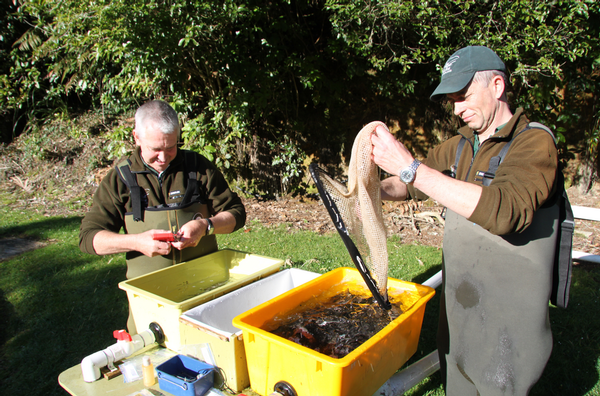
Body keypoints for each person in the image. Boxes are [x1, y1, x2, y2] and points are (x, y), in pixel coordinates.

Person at [371, 46, 559, 395]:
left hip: (509, 317)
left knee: (501, 383)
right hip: (461, 305)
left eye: (464, 96)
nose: (457, 109)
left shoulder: (534, 142)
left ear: (498, 86)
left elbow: (506, 210)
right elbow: (409, 185)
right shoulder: (460, 144)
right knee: (457, 377)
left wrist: (410, 167)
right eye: (452, 100)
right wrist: (369, 188)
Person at [80, 100, 246, 331]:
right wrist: (137, 242)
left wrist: (206, 226)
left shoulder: (198, 167)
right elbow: (89, 239)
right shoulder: (119, 178)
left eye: (171, 147)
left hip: (206, 292)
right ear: (136, 137)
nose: (163, 157)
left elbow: (237, 214)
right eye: (155, 149)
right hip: (151, 301)